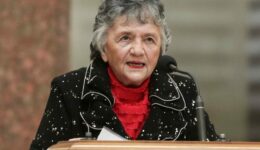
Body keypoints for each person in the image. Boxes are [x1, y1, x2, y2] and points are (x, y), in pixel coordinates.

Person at [30, 0, 219, 149]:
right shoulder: (70, 89)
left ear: (161, 48)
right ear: (103, 48)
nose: (138, 50)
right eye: (125, 38)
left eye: (149, 39)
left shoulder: (183, 90)